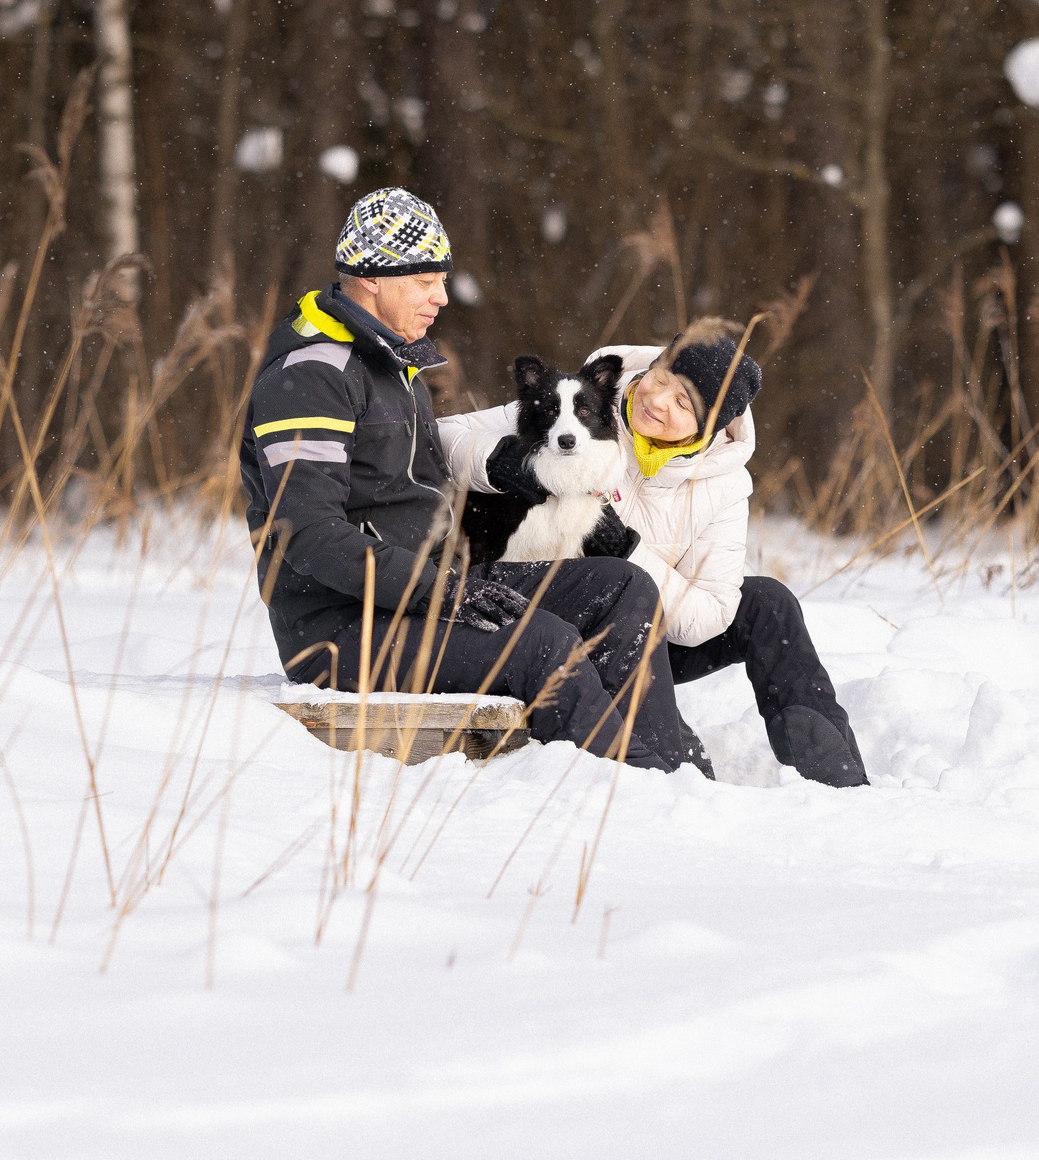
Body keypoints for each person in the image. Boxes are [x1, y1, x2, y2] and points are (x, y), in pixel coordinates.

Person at [239, 188, 707, 774]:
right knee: (544, 645)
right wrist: (444, 592)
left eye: (442, 279)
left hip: (428, 594)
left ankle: (676, 775)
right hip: (343, 631)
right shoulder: (311, 374)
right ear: (372, 278)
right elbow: (308, 535)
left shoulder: (391, 363)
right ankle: (631, 793)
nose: (441, 296)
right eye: (425, 280)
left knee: (621, 589)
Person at [442, 317, 870, 787]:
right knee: (619, 590)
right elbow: (440, 436)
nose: (657, 401)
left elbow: (708, 617)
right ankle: (671, 761)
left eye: (683, 402)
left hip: (652, 634)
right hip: (564, 616)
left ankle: (836, 773)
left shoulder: (723, 485)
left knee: (770, 603)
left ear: (710, 427)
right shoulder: (579, 406)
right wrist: (502, 462)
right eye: (660, 378)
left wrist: (627, 548)